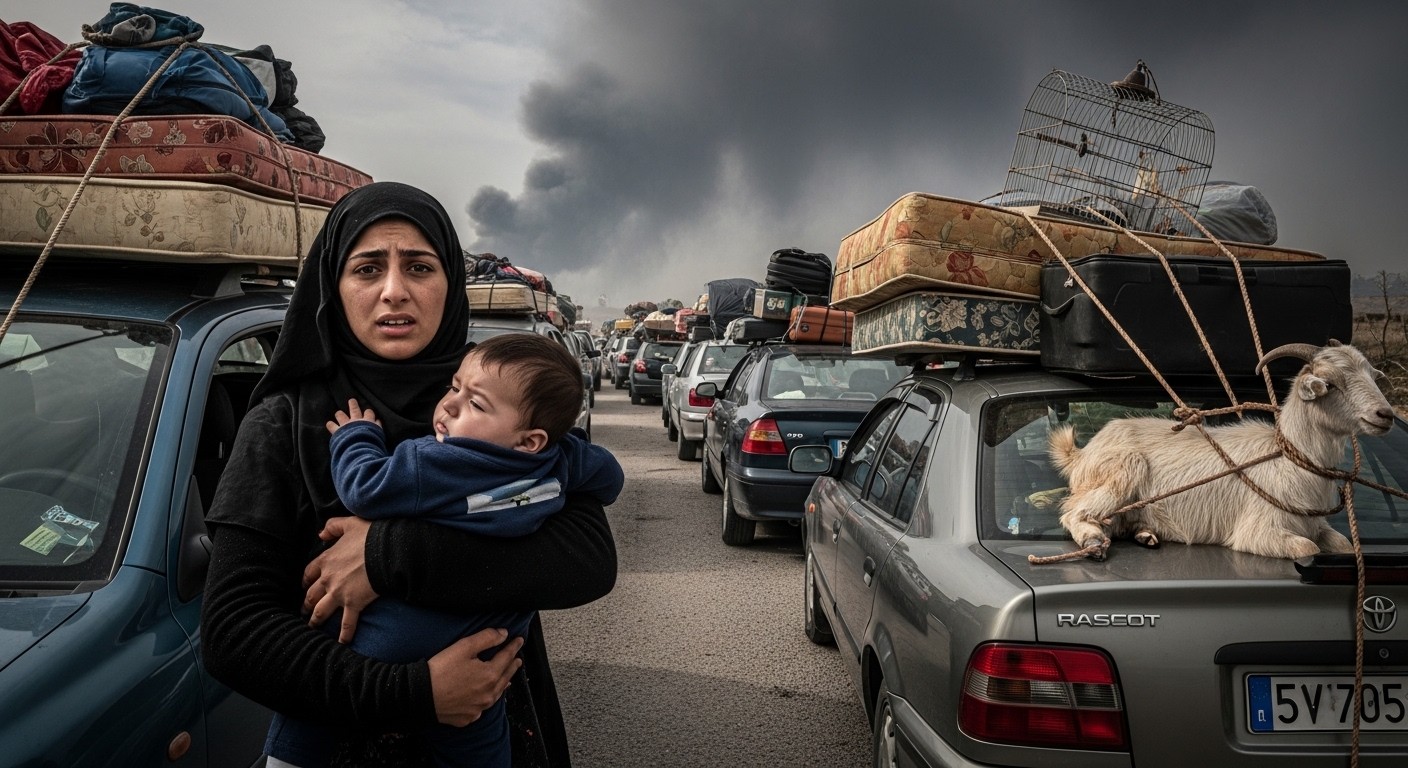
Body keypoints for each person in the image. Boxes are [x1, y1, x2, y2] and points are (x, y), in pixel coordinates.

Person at [200, 181, 617, 768]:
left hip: (493, 726)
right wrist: (417, 693)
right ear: (333, 287)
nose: (394, 292)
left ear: (449, 282)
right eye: (367, 269)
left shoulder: (495, 402)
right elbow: (234, 633)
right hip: (342, 740)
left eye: (419, 267)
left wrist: (385, 556)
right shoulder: (285, 423)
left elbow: (586, 560)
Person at [264, 333, 625, 768]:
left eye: (475, 404)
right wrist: (567, 460)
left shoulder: (430, 463)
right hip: (481, 657)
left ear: (530, 439)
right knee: (480, 741)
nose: (450, 405)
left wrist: (356, 437)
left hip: (383, 644)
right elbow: (609, 478)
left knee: (305, 715)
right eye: (454, 387)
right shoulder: (560, 461)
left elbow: (364, 489)